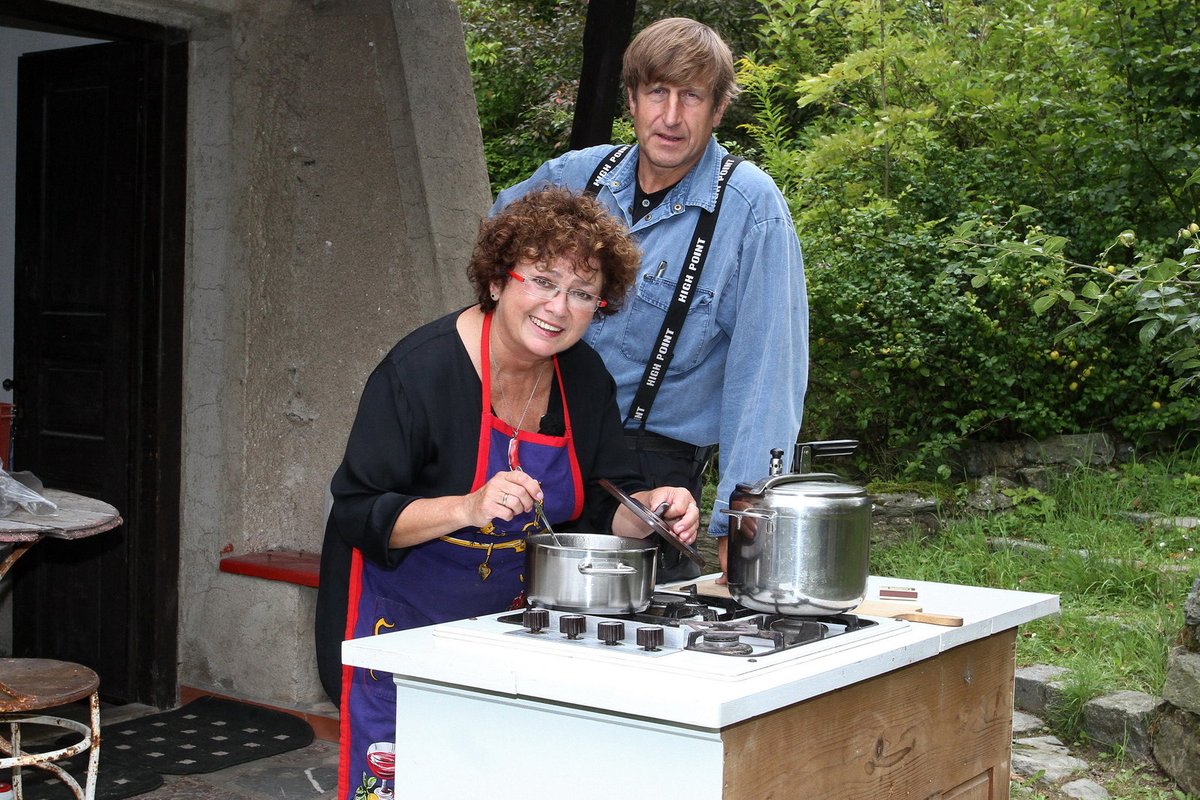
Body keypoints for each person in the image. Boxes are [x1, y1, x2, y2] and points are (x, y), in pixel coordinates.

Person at [315, 187, 701, 800]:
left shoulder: (583, 377)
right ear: (498, 280)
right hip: (401, 634)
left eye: (581, 292)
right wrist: (468, 508)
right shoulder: (420, 372)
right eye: (543, 280)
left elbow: (605, 503)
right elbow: (358, 511)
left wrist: (650, 510)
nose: (559, 306)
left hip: (510, 634)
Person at [493, 17, 808, 583]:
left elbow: (767, 382)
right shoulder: (573, 177)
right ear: (632, 98)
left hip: (651, 477)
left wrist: (740, 528)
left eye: (691, 97)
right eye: (657, 92)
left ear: (717, 110)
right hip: (536, 452)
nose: (670, 116)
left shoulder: (751, 210)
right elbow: (492, 287)